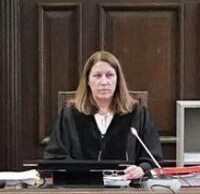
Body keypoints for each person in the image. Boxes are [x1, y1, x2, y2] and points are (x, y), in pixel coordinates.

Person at [45, 49, 158, 180]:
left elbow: (151, 157)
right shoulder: (70, 115)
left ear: (118, 80)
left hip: (127, 188)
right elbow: (55, 157)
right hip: (80, 188)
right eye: (97, 76)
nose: (104, 82)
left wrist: (141, 169)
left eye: (109, 75)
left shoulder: (137, 113)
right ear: (87, 80)